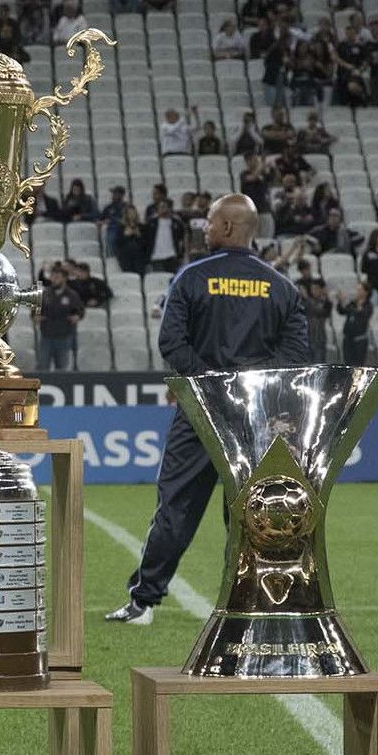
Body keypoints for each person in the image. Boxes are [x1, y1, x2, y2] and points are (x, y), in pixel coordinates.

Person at [106, 194, 309, 624]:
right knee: (251, 513)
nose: (205, 228)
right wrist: (245, 383)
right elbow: (295, 354)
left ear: (230, 228)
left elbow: (171, 344)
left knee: (176, 507)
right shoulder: (282, 287)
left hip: (200, 412)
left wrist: (210, 382)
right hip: (257, 418)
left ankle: (143, 602)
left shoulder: (191, 278)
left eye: (212, 222)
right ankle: (246, 603)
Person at [34, 265, 85, 370]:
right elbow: (35, 311)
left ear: (64, 278)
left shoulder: (72, 295)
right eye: (52, 277)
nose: (54, 279)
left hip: (64, 337)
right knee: (43, 367)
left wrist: (77, 317)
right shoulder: (45, 294)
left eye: (57, 277)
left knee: (62, 369)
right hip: (46, 336)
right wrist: (36, 317)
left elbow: (79, 311)